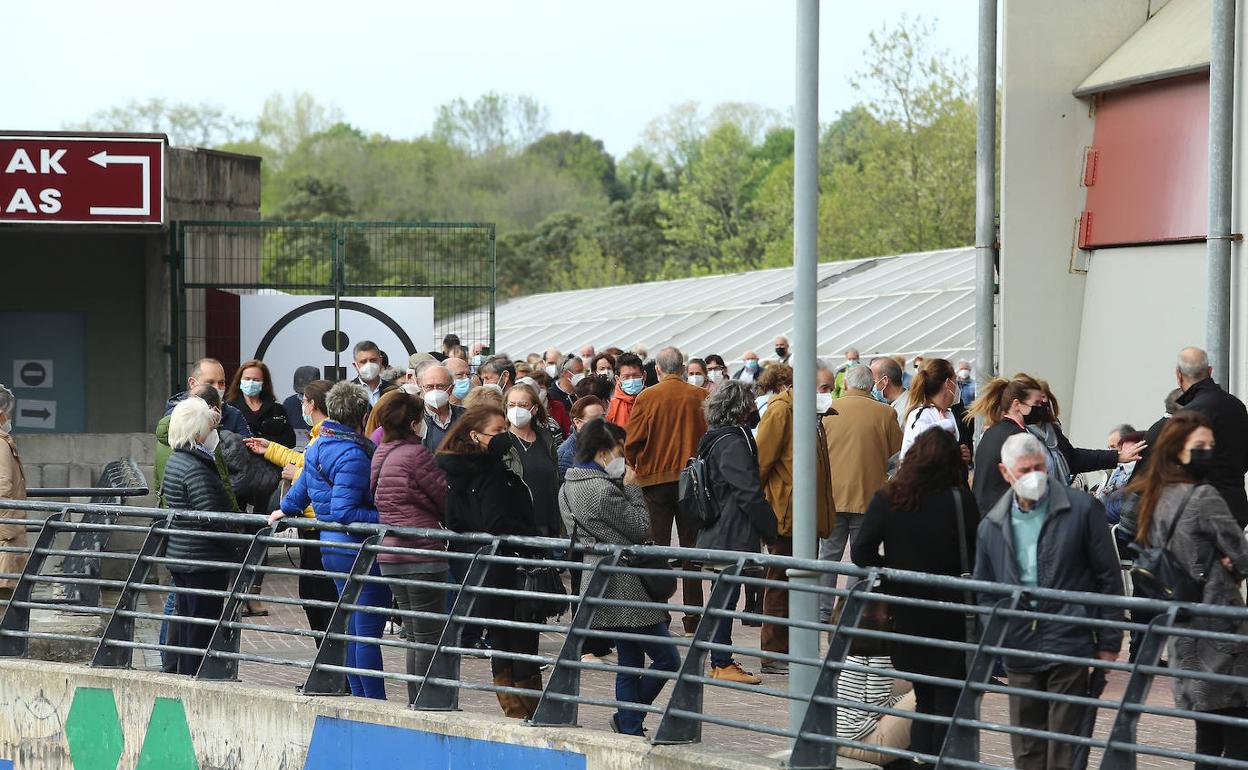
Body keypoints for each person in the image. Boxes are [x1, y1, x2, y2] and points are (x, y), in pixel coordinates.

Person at [974, 433, 1124, 770]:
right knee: (1027, 748)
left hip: (1069, 641)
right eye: (1024, 469)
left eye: (1039, 467)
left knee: (1065, 745)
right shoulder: (992, 525)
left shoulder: (1082, 508)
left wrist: (1109, 639)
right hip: (1019, 645)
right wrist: (998, 635)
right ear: (1005, 472)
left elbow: (1108, 576)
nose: (1034, 475)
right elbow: (985, 589)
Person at [853, 428, 979, 762]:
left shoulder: (889, 496)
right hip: (953, 613)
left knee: (923, 698)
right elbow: (977, 552)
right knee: (949, 703)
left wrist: (891, 573)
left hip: (906, 611)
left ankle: (921, 760)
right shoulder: (960, 499)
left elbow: (861, 551)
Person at [1130, 411, 1248, 767]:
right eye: (1200, 446)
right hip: (1221, 630)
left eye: (1211, 445)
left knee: (1207, 737)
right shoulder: (1203, 497)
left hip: (1181, 627)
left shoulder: (1155, 495)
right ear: (1178, 450)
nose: (1207, 452)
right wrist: (1230, 562)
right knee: (1239, 736)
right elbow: (1240, 555)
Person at [560, 419, 680, 735]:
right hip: (627, 586)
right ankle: (629, 721)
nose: (622, 459)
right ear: (602, 452)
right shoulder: (602, 490)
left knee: (630, 661)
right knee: (667, 658)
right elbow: (641, 528)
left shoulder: (568, 485)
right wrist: (631, 486)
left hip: (599, 579)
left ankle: (630, 723)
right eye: (618, 451)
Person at [272, 381, 390, 700]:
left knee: (353, 627)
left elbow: (303, 488)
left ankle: (362, 698)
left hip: (332, 545)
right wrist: (389, 521)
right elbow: (345, 510)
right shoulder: (353, 453)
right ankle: (374, 702)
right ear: (363, 414)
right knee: (365, 630)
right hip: (355, 547)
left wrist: (282, 510)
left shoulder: (320, 444)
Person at [437, 406, 544, 719]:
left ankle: (514, 710)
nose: (504, 437)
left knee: (501, 638)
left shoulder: (457, 472)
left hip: (479, 565)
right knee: (522, 639)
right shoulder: (493, 474)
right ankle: (527, 711)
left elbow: (455, 520)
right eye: (497, 432)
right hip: (508, 565)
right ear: (475, 436)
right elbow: (497, 521)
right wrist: (532, 536)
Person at [695, 380, 778, 684]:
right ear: (743, 409)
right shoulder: (733, 442)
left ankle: (720, 659)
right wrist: (770, 530)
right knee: (724, 599)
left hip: (718, 528)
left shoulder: (713, 438)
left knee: (722, 597)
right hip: (731, 531)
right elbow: (748, 492)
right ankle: (721, 661)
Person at [622, 347, 709, 635]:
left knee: (656, 550)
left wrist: (634, 464)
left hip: (654, 482)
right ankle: (694, 619)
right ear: (682, 368)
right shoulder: (700, 396)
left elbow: (633, 440)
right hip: (692, 481)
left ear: (657, 370)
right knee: (691, 554)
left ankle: (659, 615)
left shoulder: (647, 397)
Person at [755, 364, 836, 673]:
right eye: (823, 388)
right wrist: (763, 512)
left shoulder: (813, 416)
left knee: (799, 584)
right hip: (787, 514)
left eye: (830, 388)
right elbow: (762, 463)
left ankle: (794, 648)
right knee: (779, 583)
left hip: (805, 513)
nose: (828, 395)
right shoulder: (782, 411)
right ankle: (774, 652)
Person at [370, 390, 448, 704]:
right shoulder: (416, 454)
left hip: (391, 554)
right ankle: (428, 701)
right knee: (428, 637)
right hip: (421, 552)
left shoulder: (381, 451)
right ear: (414, 423)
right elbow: (443, 497)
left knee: (415, 635)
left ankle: (417, 699)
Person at [245, 380, 339, 639]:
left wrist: (297, 475)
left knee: (319, 597)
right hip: (312, 526)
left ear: (313, 404)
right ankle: (326, 669)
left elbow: (315, 475)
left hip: (319, 527)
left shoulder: (327, 436)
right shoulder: (321, 435)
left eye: (304, 402)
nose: (302, 407)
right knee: (312, 594)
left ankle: (331, 671)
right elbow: (308, 463)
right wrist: (271, 449)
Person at [161, 397, 245, 675]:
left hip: (184, 557)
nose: (214, 434)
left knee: (188, 628)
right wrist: (238, 545)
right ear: (198, 433)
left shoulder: (178, 460)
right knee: (200, 632)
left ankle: (186, 678)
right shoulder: (196, 467)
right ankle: (194, 682)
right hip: (202, 561)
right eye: (210, 428)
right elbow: (211, 518)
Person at [819, 364, 904, 620]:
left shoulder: (827, 411)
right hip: (869, 497)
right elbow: (896, 456)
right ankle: (851, 609)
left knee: (828, 557)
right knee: (860, 557)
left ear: (846, 385)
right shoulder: (885, 413)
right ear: (871, 386)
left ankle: (822, 610)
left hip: (832, 496)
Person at [1143, 347, 1248, 527]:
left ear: (1179, 375)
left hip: (1200, 512)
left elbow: (1175, 468)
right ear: (1209, 371)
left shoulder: (1189, 414)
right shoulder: (1237, 406)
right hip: (1236, 505)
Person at [836, 655, 917, 766]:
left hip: (839, 732)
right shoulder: (882, 650)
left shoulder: (862, 641)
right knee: (929, 688)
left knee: (918, 677)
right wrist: (905, 697)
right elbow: (876, 709)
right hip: (858, 742)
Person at [505, 383, 562, 537]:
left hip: (548, 522)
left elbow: (555, 477)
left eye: (523, 405)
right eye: (511, 405)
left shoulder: (546, 438)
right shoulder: (501, 441)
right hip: (517, 525)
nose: (516, 409)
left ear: (534, 409)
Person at [164, 358, 251, 436]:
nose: (217, 388)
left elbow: (247, 448)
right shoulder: (175, 414)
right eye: (210, 383)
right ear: (192, 383)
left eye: (221, 383)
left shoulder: (234, 415)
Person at [898, 358, 963, 462]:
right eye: (955, 381)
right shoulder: (921, 413)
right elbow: (919, 436)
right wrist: (946, 424)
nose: (957, 388)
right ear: (948, 383)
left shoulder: (948, 413)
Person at [226, 359, 296, 451]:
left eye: (256, 380)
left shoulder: (277, 409)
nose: (251, 383)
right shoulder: (230, 408)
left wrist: (264, 441)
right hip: (241, 462)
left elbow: (290, 440)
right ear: (239, 381)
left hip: (272, 461)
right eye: (247, 379)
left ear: (264, 383)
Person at [0, 386, 28, 596]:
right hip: (5, 539)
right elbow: (2, 487)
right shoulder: (1, 444)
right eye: (10, 412)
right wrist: (8, 533)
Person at [416, 361, 464, 452]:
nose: (435, 391)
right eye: (429, 387)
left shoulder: (466, 416)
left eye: (440, 386)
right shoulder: (412, 417)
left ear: (452, 388)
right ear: (421, 387)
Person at [557, 396, 607, 481]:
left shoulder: (605, 441)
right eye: (594, 419)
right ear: (577, 422)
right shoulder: (567, 454)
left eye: (603, 417)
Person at [350, 340, 397, 406]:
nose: (369, 365)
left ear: (380, 361)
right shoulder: (347, 393)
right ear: (355, 366)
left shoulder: (393, 391)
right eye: (363, 362)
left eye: (373, 360)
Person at [606, 352, 646, 427]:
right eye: (626, 377)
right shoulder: (611, 407)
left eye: (635, 375)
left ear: (644, 376)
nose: (632, 380)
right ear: (617, 379)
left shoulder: (654, 400)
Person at [282, 365, 320, 442]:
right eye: (301, 393)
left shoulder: (327, 404)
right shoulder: (289, 404)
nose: (304, 398)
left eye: (307, 394)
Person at [869, 356, 908, 429]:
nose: (872, 386)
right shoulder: (897, 404)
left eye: (873, 381)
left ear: (885, 381)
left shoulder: (904, 410)